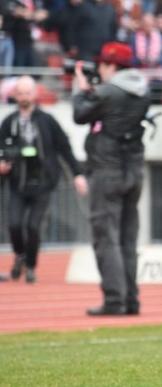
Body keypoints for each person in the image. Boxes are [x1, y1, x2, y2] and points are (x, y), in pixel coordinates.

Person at [72, 42, 151, 316]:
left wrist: (82, 88)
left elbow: (80, 115)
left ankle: (115, 300)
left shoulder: (107, 92)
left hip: (108, 170)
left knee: (106, 237)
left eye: (103, 65)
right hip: (134, 170)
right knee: (128, 238)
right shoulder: (143, 91)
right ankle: (131, 299)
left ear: (112, 65)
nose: (100, 70)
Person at [0, 76, 88, 283]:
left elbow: (64, 148)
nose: (24, 97)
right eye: (20, 93)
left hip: (42, 185)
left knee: (33, 227)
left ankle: (30, 266)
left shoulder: (47, 121)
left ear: (35, 94)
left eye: (27, 93)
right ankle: (20, 255)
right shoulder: (8, 122)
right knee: (14, 225)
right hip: (17, 184)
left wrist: (77, 174)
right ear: (15, 95)